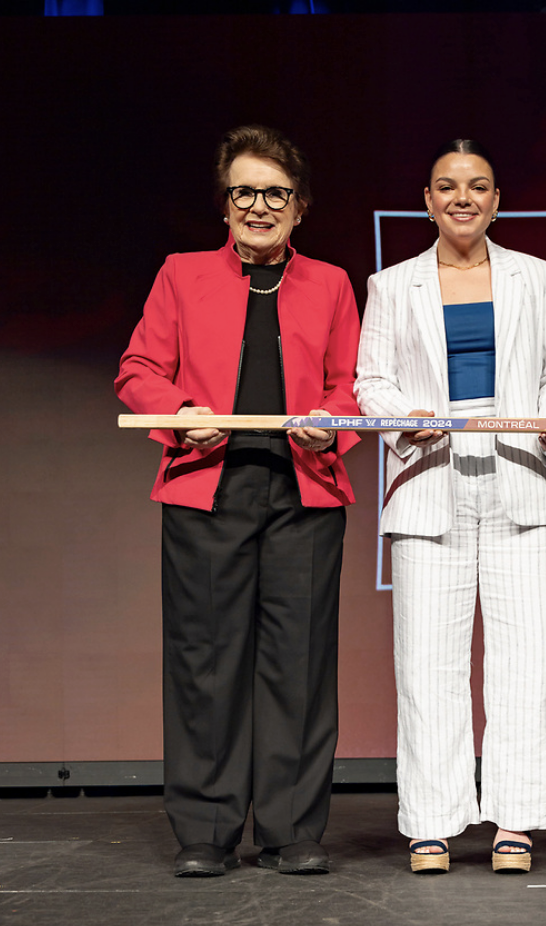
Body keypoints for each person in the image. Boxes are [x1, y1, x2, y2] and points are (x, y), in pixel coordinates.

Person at [115, 125, 361, 877]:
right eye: (245, 192)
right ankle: (206, 829)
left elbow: (351, 386)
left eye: (275, 193)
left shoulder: (332, 283)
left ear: (301, 206)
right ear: (225, 205)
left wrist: (332, 426)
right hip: (206, 490)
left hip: (303, 492)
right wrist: (180, 409)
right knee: (206, 660)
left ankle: (292, 829)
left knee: (299, 662)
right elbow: (137, 370)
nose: (260, 206)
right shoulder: (181, 274)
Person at [354, 139, 546, 874]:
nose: (463, 197)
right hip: (430, 478)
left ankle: (515, 820)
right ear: (427, 199)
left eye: (478, 186)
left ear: (496, 199)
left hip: (521, 473)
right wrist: (403, 415)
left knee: (526, 658)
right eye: (448, 186)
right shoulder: (392, 285)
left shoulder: (536, 275)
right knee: (428, 661)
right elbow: (370, 383)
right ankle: (432, 821)